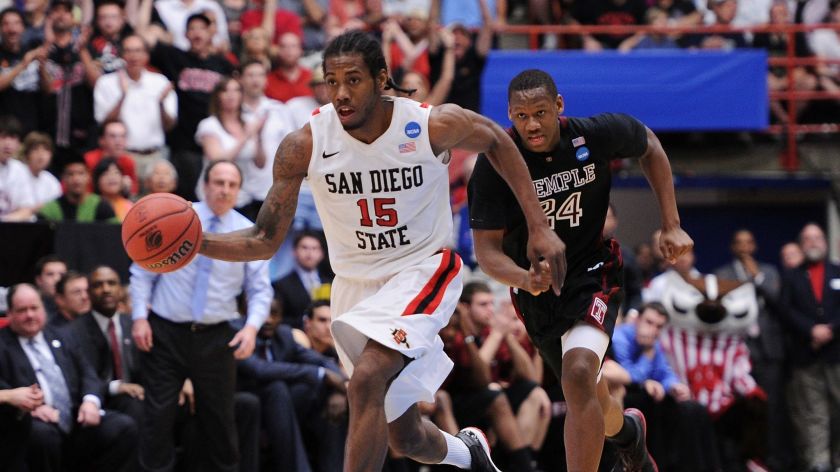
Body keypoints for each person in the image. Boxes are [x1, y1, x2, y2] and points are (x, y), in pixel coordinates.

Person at [198, 30, 565, 472]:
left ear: (381, 78)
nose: (341, 93)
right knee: (404, 435)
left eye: (353, 80)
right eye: (331, 82)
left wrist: (540, 225)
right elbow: (263, 240)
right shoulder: (305, 143)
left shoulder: (430, 124)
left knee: (367, 379)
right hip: (355, 286)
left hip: (422, 269)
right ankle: (467, 454)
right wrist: (195, 244)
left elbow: (497, 140)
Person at [468, 69, 693, 472]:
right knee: (587, 393)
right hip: (536, 289)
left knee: (577, 374)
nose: (532, 124)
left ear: (559, 106)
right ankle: (628, 435)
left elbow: (650, 146)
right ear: (509, 116)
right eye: (521, 116)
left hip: (593, 270)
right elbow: (486, 252)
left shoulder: (594, 135)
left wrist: (671, 222)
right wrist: (523, 279)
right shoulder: (495, 164)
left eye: (540, 112)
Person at [130, 159, 273, 472]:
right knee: (157, 419)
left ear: (239, 190)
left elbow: (261, 291)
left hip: (216, 336)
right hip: (165, 332)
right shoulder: (176, 217)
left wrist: (250, 329)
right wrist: (139, 316)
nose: (224, 189)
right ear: (205, 185)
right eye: (218, 182)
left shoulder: (247, 232)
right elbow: (142, 271)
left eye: (232, 184)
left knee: (221, 422)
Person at [0, 283, 138, 472]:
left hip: (76, 417)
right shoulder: (3, 344)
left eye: (34, 308)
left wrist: (90, 402)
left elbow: (88, 373)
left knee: (123, 427)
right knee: (42, 436)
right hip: (32, 423)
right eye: (22, 310)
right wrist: (28, 409)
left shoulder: (62, 335)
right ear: (10, 314)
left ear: (44, 309)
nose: (30, 315)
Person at [235, 299, 348, 472]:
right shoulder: (237, 331)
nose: (268, 320)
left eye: (274, 314)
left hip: (282, 405)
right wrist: (320, 374)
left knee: (330, 405)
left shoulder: (284, 335)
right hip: (247, 401)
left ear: (281, 317)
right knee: (278, 388)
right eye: (263, 313)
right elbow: (260, 370)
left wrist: (338, 391)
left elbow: (322, 361)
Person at [714, 228, 788, 471]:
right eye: (739, 243)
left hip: (768, 350)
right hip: (737, 350)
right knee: (739, 407)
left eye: (749, 242)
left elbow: (777, 302)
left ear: (755, 246)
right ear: (733, 247)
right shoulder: (722, 274)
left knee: (772, 407)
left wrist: (756, 279)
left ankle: (772, 459)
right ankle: (739, 460)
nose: (744, 247)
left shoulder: (769, 272)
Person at [779, 223, 840, 472]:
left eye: (817, 237)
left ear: (825, 242)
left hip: (837, 353)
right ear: (802, 244)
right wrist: (811, 331)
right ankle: (819, 463)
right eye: (807, 238)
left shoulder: (838, 271)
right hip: (807, 355)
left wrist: (830, 330)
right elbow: (786, 311)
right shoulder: (792, 276)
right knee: (814, 413)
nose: (813, 242)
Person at [92, 34, 177, 181]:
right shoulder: (106, 83)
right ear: (121, 55)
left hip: (156, 155)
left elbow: (170, 125)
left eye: (138, 51)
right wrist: (122, 96)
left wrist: (161, 104)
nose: (133, 56)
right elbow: (103, 123)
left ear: (146, 55)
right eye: (129, 51)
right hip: (123, 156)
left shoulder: (160, 82)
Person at [70, 265, 144, 425]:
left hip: (137, 392)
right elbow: (79, 377)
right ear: (88, 292)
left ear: (120, 289)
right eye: (98, 285)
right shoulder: (74, 331)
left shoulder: (133, 324)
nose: (106, 289)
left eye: (112, 283)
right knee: (133, 406)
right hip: (98, 400)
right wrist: (116, 387)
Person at [195, 76, 267, 212]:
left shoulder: (250, 121)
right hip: (213, 197)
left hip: (243, 196)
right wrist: (246, 136)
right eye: (226, 91)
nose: (231, 95)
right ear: (217, 96)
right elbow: (218, 161)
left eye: (236, 91)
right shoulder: (209, 125)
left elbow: (260, 164)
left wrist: (259, 135)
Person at [273, 231, 329, 329]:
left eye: (314, 248)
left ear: (322, 253)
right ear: (294, 251)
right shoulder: (281, 285)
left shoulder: (330, 283)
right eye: (304, 247)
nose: (309, 253)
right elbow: (279, 319)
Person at [38, 158, 119, 223]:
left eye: (81, 173)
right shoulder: (50, 210)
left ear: (88, 177)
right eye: (70, 174)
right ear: (63, 178)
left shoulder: (102, 206)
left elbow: (114, 235)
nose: (76, 179)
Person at [83, 119, 139, 196]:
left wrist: (126, 189)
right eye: (113, 136)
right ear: (101, 140)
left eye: (122, 136)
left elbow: (134, 191)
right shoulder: (89, 160)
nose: (118, 141)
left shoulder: (128, 162)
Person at [0, 115, 37, 222]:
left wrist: (3, 222)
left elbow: (26, 210)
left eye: (13, 138)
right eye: (3, 137)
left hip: (10, 228)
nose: (8, 144)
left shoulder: (20, 170)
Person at [21, 131, 62, 211]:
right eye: (35, 149)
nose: (41, 154)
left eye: (46, 150)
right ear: (27, 154)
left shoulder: (51, 181)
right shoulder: (18, 174)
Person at [33, 254, 67, 319]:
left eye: (62, 274)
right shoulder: (32, 309)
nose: (57, 279)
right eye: (50, 274)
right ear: (39, 280)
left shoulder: (75, 306)